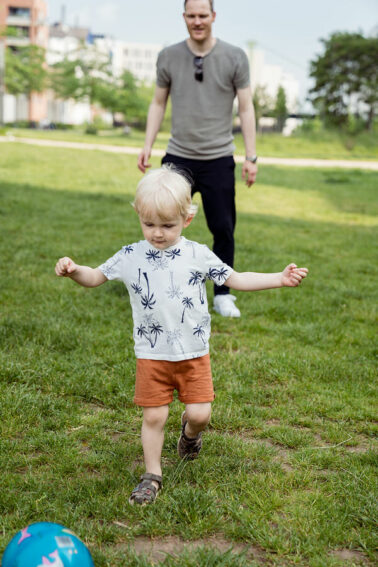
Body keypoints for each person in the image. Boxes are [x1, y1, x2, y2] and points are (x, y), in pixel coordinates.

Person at [55, 166, 308, 506]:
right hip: (152, 354)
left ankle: (189, 436)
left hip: (193, 354)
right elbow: (96, 276)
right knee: (154, 416)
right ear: (138, 215)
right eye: (149, 224)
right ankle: (152, 475)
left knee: (201, 414)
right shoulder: (131, 255)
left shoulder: (197, 254)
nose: (157, 233)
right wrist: (74, 271)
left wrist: (279, 278)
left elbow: (236, 278)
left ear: (187, 219)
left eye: (167, 225)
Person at [138, 0, 258, 319]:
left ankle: (222, 295)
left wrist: (251, 156)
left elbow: (246, 108)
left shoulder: (234, 56)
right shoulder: (169, 56)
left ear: (213, 17)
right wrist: (147, 145)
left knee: (223, 228)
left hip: (219, 157)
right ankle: (161, 287)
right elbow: (158, 103)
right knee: (162, 223)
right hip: (178, 157)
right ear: (184, 17)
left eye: (203, 15)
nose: (197, 21)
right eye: (191, 15)